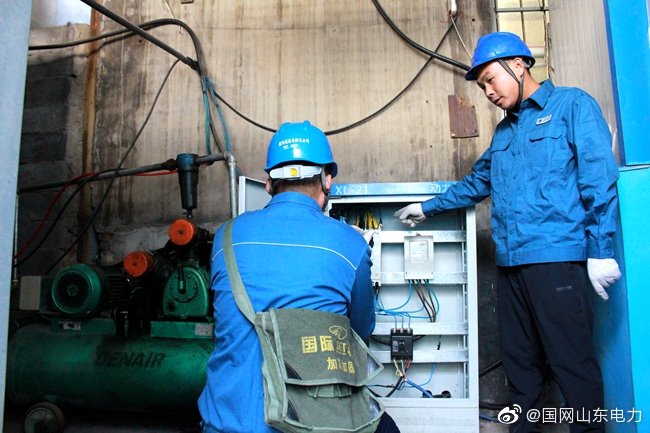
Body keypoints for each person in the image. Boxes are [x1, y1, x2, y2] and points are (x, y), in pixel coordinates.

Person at [394, 32, 621, 433]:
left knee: (573, 367)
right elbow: (477, 183)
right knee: (521, 368)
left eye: (490, 80)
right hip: (511, 265)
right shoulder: (504, 133)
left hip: (556, 260)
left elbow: (598, 179)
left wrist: (601, 249)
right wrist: (427, 208)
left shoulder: (572, 106)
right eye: (482, 86)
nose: (488, 92)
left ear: (518, 65)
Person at [198, 121, 398, 433]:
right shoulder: (350, 243)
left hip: (227, 422)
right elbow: (360, 330)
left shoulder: (226, 236)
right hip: (312, 423)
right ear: (327, 179)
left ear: (268, 184)